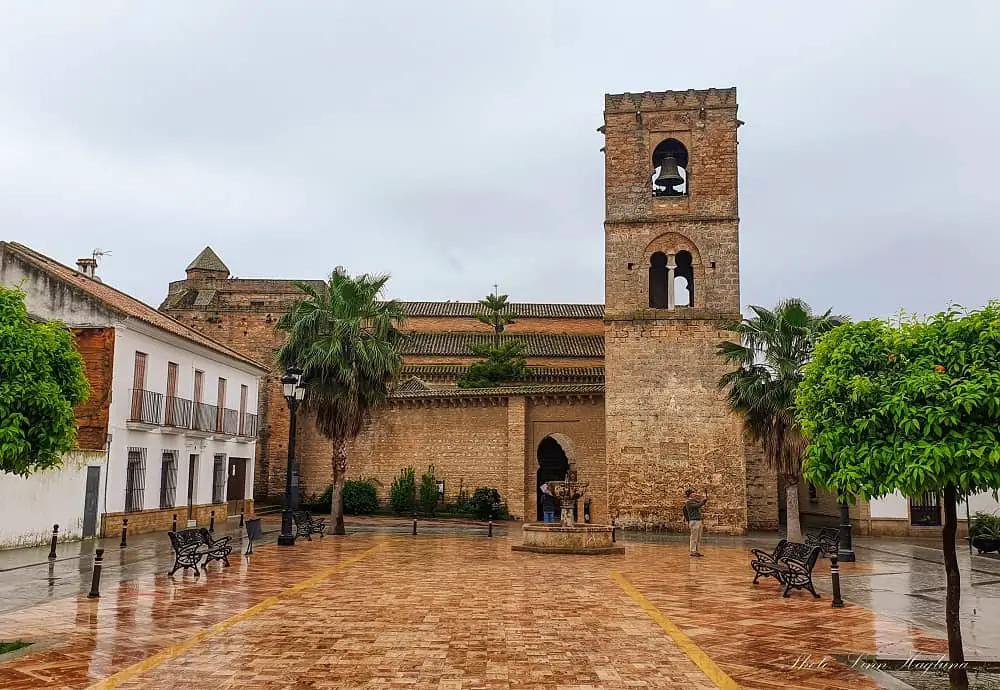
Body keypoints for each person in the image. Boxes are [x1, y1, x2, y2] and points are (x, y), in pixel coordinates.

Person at [684, 487, 709, 557]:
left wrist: (705, 499)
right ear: (690, 494)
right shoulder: (689, 502)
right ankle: (692, 551)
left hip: (698, 520)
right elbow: (698, 505)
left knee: (698, 537)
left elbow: (701, 503)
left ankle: (696, 551)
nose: (694, 494)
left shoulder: (694, 500)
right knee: (694, 537)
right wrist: (703, 500)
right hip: (694, 521)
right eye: (693, 493)